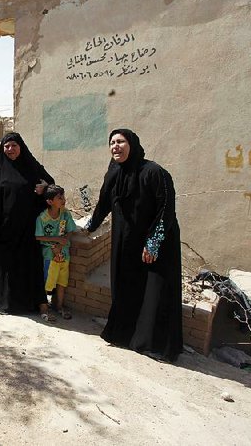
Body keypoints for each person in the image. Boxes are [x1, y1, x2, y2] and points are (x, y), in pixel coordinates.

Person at [86, 129, 183, 362]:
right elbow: (103, 204)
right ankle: (123, 334)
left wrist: (153, 243)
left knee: (154, 293)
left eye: (120, 142)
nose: (115, 146)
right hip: (126, 241)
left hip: (157, 243)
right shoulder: (114, 173)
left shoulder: (154, 172)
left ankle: (154, 344)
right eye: (111, 143)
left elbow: (166, 209)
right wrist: (89, 226)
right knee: (126, 287)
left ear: (133, 144)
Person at [0, 132, 56, 321]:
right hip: (3, 229)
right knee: (4, 265)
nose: (10, 149)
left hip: (27, 229)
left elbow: (51, 185)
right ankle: (1, 301)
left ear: (21, 147)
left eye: (14, 145)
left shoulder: (32, 166)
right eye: (6, 146)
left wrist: (44, 188)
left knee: (26, 264)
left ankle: (28, 303)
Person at [35, 184, 77, 320]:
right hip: (50, 255)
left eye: (63, 196)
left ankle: (59, 306)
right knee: (47, 282)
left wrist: (63, 242)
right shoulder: (42, 218)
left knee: (62, 282)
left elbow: (70, 230)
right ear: (50, 201)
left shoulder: (65, 214)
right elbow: (38, 236)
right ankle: (44, 309)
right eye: (59, 198)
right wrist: (56, 240)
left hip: (64, 255)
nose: (63, 199)